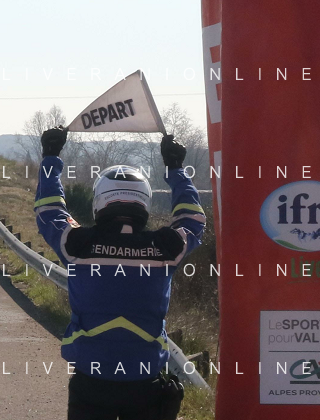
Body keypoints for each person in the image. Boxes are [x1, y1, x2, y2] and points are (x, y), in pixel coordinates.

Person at [34, 127, 204, 420]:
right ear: (144, 203)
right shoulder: (166, 248)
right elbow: (193, 219)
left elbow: (49, 210)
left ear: (99, 202)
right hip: (146, 383)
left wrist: (51, 157)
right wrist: (176, 168)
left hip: (91, 382)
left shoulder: (77, 244)